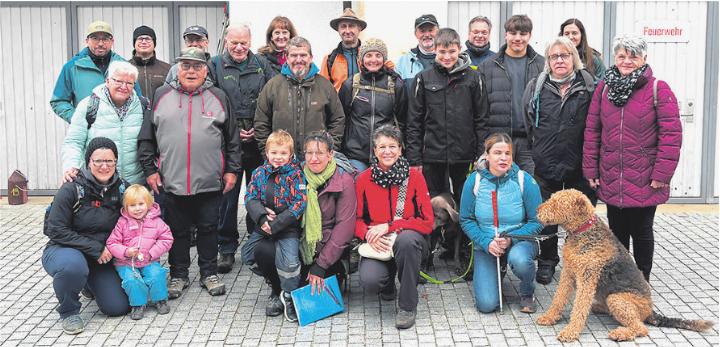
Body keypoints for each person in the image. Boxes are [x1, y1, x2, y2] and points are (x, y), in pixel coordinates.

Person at [137, 47, 242, 299]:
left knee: (208, 228)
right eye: (186, 66)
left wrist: (232, 171)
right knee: (177, 230)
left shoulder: (218, 96)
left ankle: (208, 273)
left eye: (197, 66)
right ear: (178, 69)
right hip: (171, 180)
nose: (191, 71)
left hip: (209, 180)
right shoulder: (161, 95)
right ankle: (178, 275)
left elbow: (233, 139)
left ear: (206, 70)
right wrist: (150, 170)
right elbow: (146, 138)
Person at [583, 34, 682, 282]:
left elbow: (671, 136)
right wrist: (591, 171)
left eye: (633, 56)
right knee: (617, 232)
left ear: (644, 59)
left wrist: (661, 175)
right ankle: (621, 281)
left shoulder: (659, 89)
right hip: (611, 173)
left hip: (645, 177)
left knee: (642, 231)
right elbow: (593, 130)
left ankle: (642, 281)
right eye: (622, 56)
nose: (627, 61)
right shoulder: (604, 88)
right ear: (615, 58)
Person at [522, 36, 598, 285]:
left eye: (564, 55)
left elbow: (597, 124)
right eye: (554, 56)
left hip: (579, 165)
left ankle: (580, 263)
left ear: (573, 58)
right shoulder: (537, 86)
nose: (559, 60)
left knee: (580, 218)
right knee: (548, 217)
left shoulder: (588, 85)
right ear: (548, 60)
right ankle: (547, 262)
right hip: (546, 163)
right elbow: (528, 122)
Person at [42, 137, 130, 335]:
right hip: (65, 249)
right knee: (73, 267)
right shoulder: (72, 188)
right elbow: (55, 229)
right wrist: (95, 249)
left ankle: (88, 283)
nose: (104, 166)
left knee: (117, 307)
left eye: (109, 161)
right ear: (88, 161)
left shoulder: (123, 188)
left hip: (100, 258)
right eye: (98, 160)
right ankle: (69, 311)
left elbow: (139, 216)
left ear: (116, 162)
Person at [209, 25, 276, 274]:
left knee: (257, 194)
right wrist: (232, 130)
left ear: (250, 42)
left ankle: (255, 242)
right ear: (226, 40)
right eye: (234, 42)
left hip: (258, 142)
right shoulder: (214, 65)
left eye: (243, 43)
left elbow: (271, 98)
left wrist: (260, 130)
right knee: (227, 197)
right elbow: (210, 101)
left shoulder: (262, 64)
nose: (239, 47)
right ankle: (226, 248)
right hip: (227, 142)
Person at [355, 125, 434, 329]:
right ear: (374, 151)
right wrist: (367, 233)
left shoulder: (415, 177)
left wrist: (390, 226)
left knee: (406, 241)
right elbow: (355, 220)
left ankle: (408, 306)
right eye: (382, 147)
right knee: (370, 281)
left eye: (392, 146)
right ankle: (387, 283)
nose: (387, 151)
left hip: (410, 242)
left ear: (400, 149)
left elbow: (427, 222)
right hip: (379, 244)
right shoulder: (363, 179)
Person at [459, 133, 542, 314]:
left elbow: (537, 221)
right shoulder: (474, 181)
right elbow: (465, 219)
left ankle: (527, 292)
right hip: (487, 243)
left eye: (508, 153)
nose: (503, 158)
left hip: (520, 241)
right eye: (497, 152)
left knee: (520, 260)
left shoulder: (524, 180)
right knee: (487, 305)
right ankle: (498, 271)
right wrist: (486, 242)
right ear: (486, 155)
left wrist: (512, 239)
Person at [406, 28, 488, 203]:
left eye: (452, 51)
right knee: (433, 203)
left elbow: (481, 120)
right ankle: (437, 232)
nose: (447, 57)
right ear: (435, 49)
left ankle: (462, 231)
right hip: (432, 156)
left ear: (459, 49)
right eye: (442, 52)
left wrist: (481, 155)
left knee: (465, 202)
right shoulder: (423, 78)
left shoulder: (474, 78)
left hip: (464, 156)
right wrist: (414, 159)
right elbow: (414, 122)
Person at [240, 130, 307, 323]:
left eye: (283, 153)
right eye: (274, 153)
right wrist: (261, 218)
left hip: (286, 228)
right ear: (267, 153)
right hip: (264, 225)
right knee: (248, 255)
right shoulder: (259, 173)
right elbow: (250, 196)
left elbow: (299, 203)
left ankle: (288, 294)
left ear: (291, 154)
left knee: (290, 265)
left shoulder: (295, 174)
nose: (278, 157)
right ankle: (274, 281)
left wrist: (277, 224)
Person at [255, 36, 345, 156]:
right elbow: (261, 122)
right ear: (287, 58)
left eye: (303, 55)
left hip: (315, 161)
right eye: (293, 55)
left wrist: (328, 150)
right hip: (282, 161)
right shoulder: (273, 85)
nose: (298, 59)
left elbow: (337, 120)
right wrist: (269, 153)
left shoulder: (325, 86)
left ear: (311, 58)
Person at [61, 61, 146, 185]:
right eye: (118, 81)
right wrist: (71, 166)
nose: (124, 86)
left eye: (129, 83)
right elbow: (74, 142)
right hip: (98, 184)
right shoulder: (88, 106)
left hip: (134, 185)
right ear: (107, 81)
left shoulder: (143, 107)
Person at [479, 15, 545, 175]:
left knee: (530, 190)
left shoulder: (542, 65)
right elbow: (479, 110)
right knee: (499, 191)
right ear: (505, 34)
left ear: (530, 35)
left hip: (530, 144)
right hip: (498, 143)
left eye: (523, 34)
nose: (518, 38)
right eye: (513, 33)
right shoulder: (487, 66)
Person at [338, 38, 408, 172]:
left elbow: (403, 121)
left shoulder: (395, 85)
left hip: (386, 155)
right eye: (368, 55)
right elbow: (341, 119)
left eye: (378, 55)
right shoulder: (351, 84)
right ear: (362, 59)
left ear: (384, 58)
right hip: (356, 155)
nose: (373, 60)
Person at [50, 20, 141, 123]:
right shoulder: (72, 67)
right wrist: (79, 120)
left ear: (112, 41)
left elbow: (137, 99)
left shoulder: (125, 67)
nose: (100, 43)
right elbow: (58, 101)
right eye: (95, 38)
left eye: (105, 39)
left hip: (119, 132)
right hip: (87, 134)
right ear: (87, 40)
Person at [106, 184, 173, 320]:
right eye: (132, 205)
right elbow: (112, 243)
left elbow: (167, 239)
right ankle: (138, 304)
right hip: (126, 262)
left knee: (156, 275)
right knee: (132, 280)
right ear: (125, 207)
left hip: (149, 260)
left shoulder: (157, 221)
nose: (137, 209)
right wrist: (125, 251)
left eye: (141, 204)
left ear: (148, 203)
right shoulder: (122, 222)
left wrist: (152, 252)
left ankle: (160, 299)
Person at [300, 131, 357, 293]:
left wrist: (321, 265)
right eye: (309, 153)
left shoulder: (344, 180)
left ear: (330, 155)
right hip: (302, 247)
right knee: (265, 251)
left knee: (320, 294)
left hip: (329, 250)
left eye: (319, 153)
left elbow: (344, 228)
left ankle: (339, 268)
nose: (314, 159)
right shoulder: (296, 176)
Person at [129, 25, 171, 103]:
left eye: (148, 39)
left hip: (159, 113)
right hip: (133, 114)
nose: (144, 42)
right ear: (134, 43)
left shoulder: (167, 69)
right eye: (140, 39)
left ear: (154, 43)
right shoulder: (125, 68)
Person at [396, 14, 439, 80]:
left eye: (430, 30)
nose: (427, 35)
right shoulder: (403, 62)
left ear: (438, 32)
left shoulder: (446, 59)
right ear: (416, 34)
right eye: (422, 31)